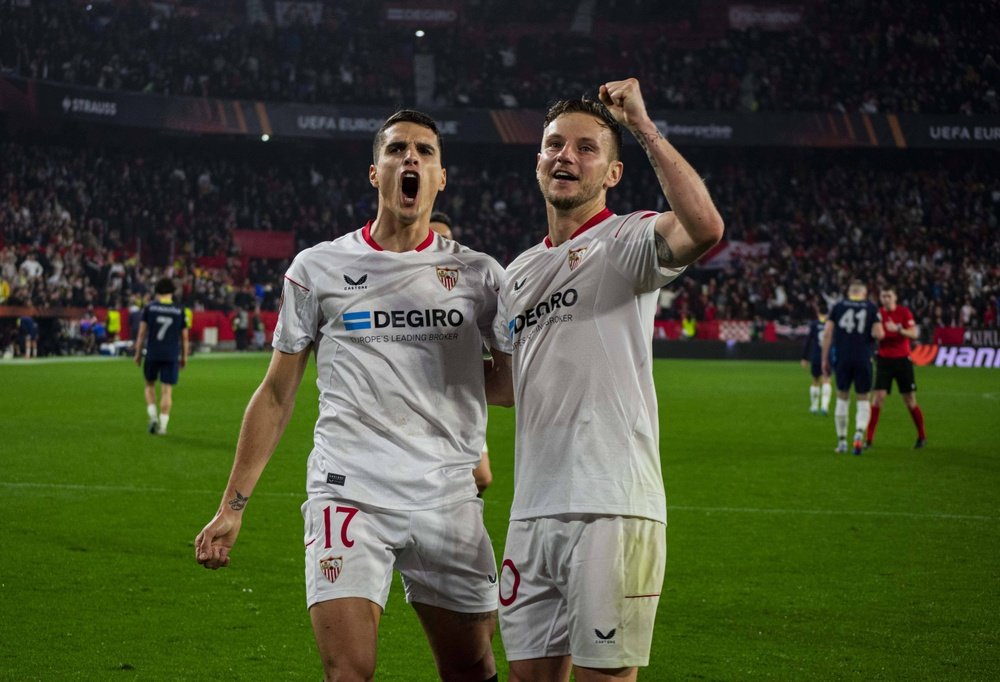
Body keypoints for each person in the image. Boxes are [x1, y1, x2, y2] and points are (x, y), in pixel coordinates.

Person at [195, 110, 512, 682]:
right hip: (348, 494)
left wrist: (446, 376)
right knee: (349, 672)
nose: (410, 158)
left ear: (441, 178)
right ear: (375, 173)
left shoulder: (481, 277)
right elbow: (276, 393)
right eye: (396, 150)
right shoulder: (318, 269)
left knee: (471, 667)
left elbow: (512, 386)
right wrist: (231, 507)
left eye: (424, 151)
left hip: (447, 496)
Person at [495, 79, 724, 681]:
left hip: (611, 504)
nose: (566, 156)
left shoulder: (625, 241)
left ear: (613, 172)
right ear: (538, 159)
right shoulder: (517, 272)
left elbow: (704, 227)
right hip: (532, 511)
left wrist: (644, 128)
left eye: (586, 148)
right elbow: (505, 385)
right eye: (554, 144)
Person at [429, 210, 494, 495]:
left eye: (447, 238)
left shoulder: (469, 280)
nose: (442, 243)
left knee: (482, 477)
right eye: (436, 237)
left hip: (460, 403)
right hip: (418, 402)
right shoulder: (401, 285)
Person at [821, 281, 884, 455]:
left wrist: (824, 358)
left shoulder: (838, 306)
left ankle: (842, 442)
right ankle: (858, 435)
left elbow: (827, 333)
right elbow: (880, 333)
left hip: (842, 356)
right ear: (864, 293)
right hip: (863, 357)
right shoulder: (871, 308)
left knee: (842, 396)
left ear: (850, 292)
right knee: (863, 398)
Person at [866, 287, 927, 449]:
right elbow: (872, 334)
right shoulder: (877, 314)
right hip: (884, 360)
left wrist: (898, 329)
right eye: (883, 295)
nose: (886, 299)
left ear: (895, 297)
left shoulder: (904, 312)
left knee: (910, 400)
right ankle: (869, 439)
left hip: (902, 361)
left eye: (889, 296)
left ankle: (921, 436)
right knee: (878, 398)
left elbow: (914, 334)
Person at [133, 277, 189, 435]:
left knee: (149, 385)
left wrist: (138, 353)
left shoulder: (150, 308)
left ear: (156, 291)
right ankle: (163, 426)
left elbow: (142, 333)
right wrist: (184, 357)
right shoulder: (179, 310)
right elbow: (184, 337)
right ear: (172, 291)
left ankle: (152, 417)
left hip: (153, 352)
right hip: (171, 354)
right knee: (167, 391)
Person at [800, 306, 832, 415]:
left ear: (818, 312)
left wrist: (804, 357)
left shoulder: (814, 325)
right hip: (827, 357)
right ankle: (824, 406)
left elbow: (808, 341)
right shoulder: (831, 324)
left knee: (815, 380)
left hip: (816, 357)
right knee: (827, 380)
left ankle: (814, 406)